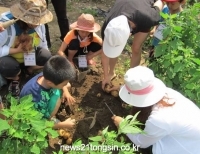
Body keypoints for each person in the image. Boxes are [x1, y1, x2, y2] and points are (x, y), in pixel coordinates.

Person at [111, 66, 200, 154]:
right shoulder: (168, 93)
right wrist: (122, 88)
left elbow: (141, 142)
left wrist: (123, 125)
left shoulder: (159, 119)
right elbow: (141, 90)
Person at [101, 0, 164, 90]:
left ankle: (131, 81)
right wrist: (106, 76)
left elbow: (160, 2)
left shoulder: (149, 17)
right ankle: (111, 72)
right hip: (128, 6)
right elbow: (105, 53)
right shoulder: (109, 26)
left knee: (136, 48)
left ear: (129, 34)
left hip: (143, 15)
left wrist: (154, 27)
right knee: (113, 44)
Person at [0, 0, 52, 96]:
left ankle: (29, 70)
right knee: (7, 66)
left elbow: (43, 42)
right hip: (10, 58)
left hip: (28, 56)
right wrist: (16, 50)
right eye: (33, 21)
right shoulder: (5, 26)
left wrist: (48, 61)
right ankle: (16, 78)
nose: (37, 24)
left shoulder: (40, 25)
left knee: (46, 56)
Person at [20, 55, 76, 129]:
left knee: (67, 86)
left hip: (45, 95)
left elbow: (65, 85)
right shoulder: (38, 98)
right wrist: (63, 125)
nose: (66, 84)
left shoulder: (47, 75)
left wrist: (66, 92)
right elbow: (38, 124)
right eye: (63, 83)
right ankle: (49, 118)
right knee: (57, 95)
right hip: (34, 117)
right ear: (50, 83)